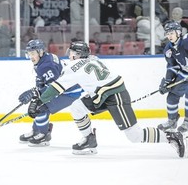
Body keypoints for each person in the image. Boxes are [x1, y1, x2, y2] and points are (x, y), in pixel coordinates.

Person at [24, 41, 185, 158]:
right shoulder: (93, 58)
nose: (69, 55)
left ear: (78, 55)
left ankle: (171, 136)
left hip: (114, 95)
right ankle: (89, 139)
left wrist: (39, 101)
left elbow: (56, 88)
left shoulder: (75, 67)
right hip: (102, 95)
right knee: (77, 107)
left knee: (134, 135)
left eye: (72, 52)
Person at [18, 39, 97, 154]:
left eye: (33, 53)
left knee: (41, 108)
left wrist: (36, 95)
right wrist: (36, 90)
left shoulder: (46, 65)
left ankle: (43, 135)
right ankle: (37, 131)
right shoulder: (45, 58)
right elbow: (44, 80)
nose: (31, 56)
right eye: (29, 54)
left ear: (40, 52)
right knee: (38, 105)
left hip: (69, 92)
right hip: (66, 88)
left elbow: (55, 88)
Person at [157, 20, 188, 135]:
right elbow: (172, 66)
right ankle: (172, 120)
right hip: (184, 74)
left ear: (178, 32)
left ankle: (187, 121)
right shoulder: (168, 50)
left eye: (172, 33)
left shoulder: (186, 41)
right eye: (167, 33)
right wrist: (168, 81)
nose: (169, 36)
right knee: (172, 96)